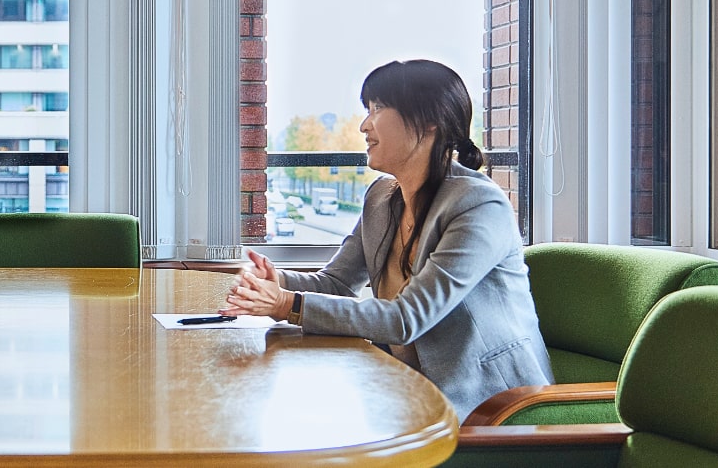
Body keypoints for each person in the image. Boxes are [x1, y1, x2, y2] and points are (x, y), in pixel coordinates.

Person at [221, 59, 550, 421]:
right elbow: (336, 283)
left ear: (429, 121)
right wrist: (275, 282)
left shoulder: (478, 205)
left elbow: (406, 319)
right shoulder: (381, 197)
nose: (364, 125)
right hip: (402, 386)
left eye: (377, 108)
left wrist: (286, 304)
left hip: (493, 408)